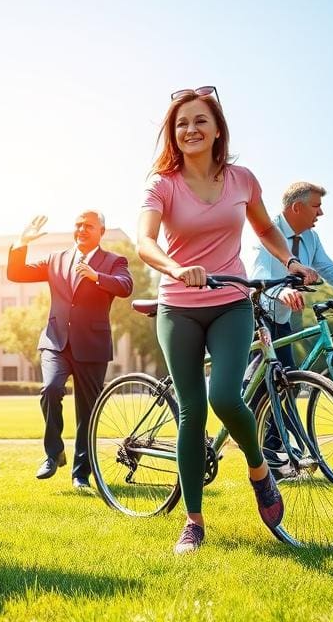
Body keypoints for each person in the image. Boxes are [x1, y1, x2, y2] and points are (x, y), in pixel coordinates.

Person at [136, 86, 318, 554]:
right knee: (192, 412)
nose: (190, 130)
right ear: (172, 135)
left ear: (217, 129)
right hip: (178, 306)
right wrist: (175, 268)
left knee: (225, 396)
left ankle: (260, 471)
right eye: (181, 124)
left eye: (200, 121)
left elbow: (265, 228)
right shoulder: (162, 184)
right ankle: (193, 521)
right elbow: (145, 241)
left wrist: (291, 261)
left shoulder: (242, 179)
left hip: (231, 301)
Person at [249, 181, 333, 469]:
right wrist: (280, 291)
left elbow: (329, 268)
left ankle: (271, 450)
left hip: (281, 319)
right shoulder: (266, 230)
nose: (321, 213)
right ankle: (265, 448)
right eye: (316, 206)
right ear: (296, 207)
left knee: (287, 384)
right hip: (253, 316)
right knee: (265, 386)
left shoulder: (310, 238)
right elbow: (258, 271)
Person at [7, 211, 133, 490]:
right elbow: (16, 273)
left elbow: (126, 286)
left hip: (92, 346)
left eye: (88, 226)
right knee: (50, 389)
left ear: (102, 230)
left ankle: (81, 475)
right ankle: (53, 453)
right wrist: (21, 242)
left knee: (87, 413)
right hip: (56, 341)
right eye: (78, 225)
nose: (81, 230)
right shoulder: (56, 259)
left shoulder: (114, 262)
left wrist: (97, 276)